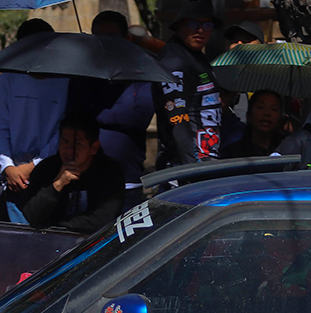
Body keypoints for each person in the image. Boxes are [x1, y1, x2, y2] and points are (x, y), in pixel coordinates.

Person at [0, 18, 68, 214]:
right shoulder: (8, 79)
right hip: (13, 179)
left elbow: (62, 132)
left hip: (51, 175)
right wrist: (8, 167)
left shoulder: (66, 82)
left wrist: (33, 166)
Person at [87, 11, 156, 210]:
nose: (106, 43)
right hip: (88, 179)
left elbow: (138, 117)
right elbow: (75, 113)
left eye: (111, 36)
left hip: (128, 181)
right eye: (99, 37)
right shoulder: (85, 75)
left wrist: (96, 113)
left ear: (126, 38)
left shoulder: (142, 73)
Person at [19, 114, 125, 234]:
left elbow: (103, 220)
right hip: (49, 240)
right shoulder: (46, 168)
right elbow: (31, 216)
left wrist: (56, 225)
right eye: (65, 142)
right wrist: (57, 185)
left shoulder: (110, 172)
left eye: (78, 144)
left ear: (94, 147)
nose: (69, 150)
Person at [153, 0, 227, 168]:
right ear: (179, 26)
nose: (200, 30)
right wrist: (191, 168)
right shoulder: (173, 61)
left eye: (207, 25)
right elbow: (178, 121)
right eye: (193, 24)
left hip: (207, 160)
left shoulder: (197, 56)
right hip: (184, 167)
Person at [222, 90, 286, 158]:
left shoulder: (288, 149)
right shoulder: (232, 152)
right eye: (260, 107)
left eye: (274, 109)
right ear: (248, 115)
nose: (267, 113)